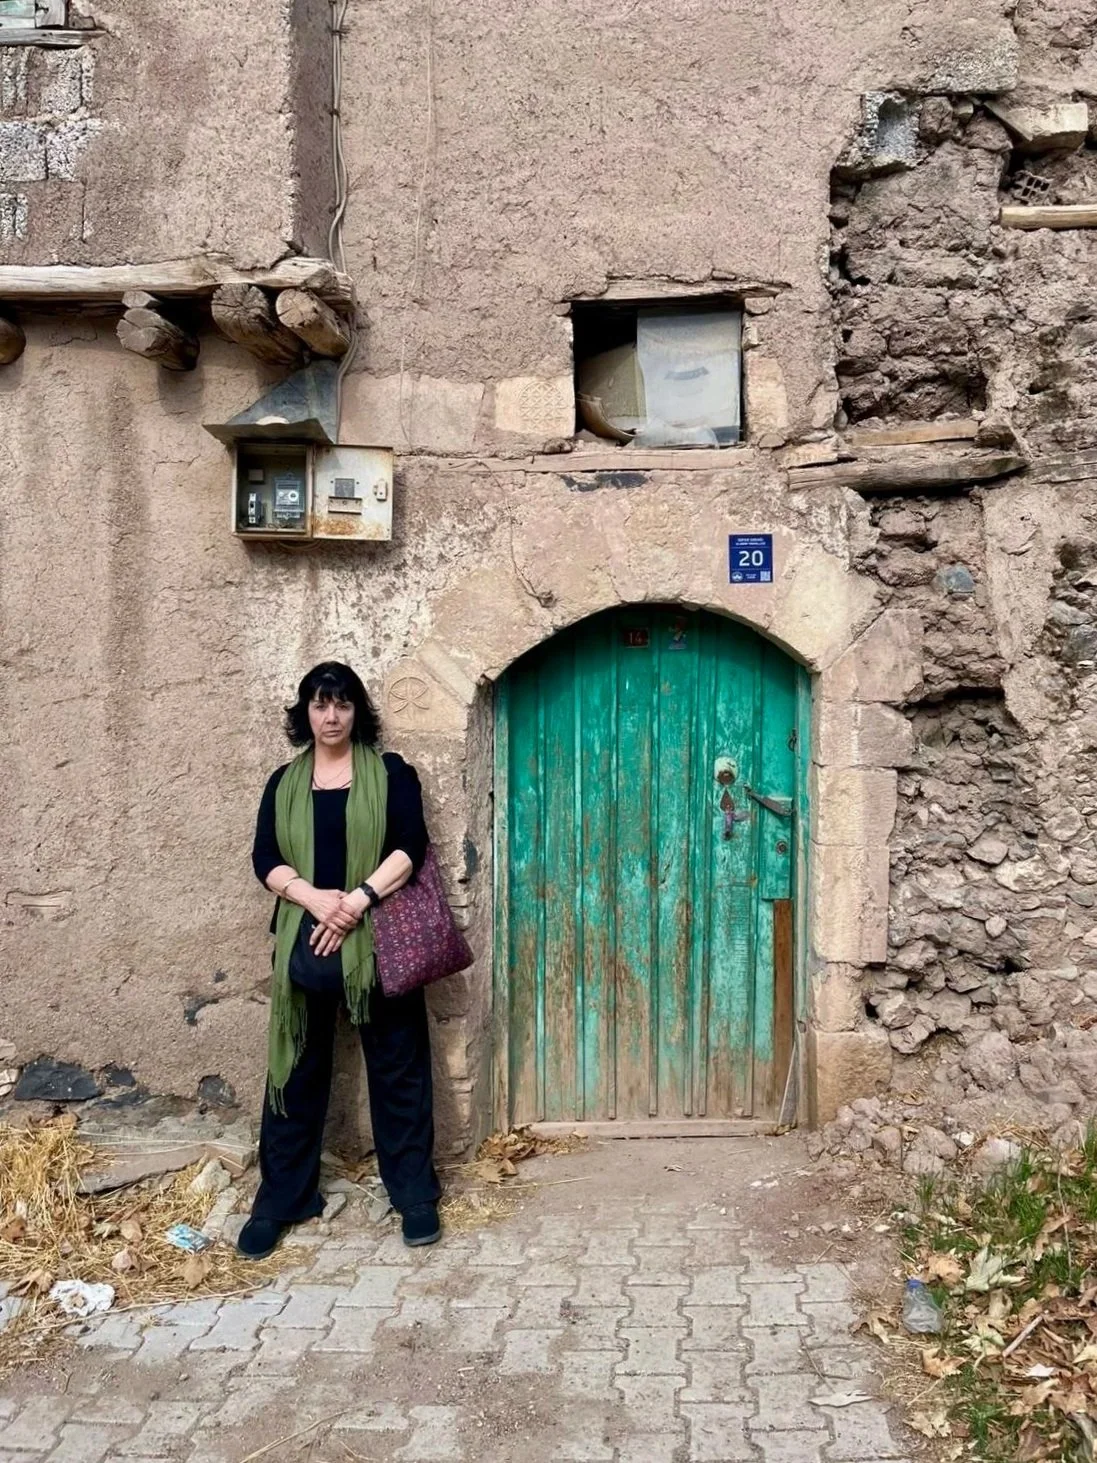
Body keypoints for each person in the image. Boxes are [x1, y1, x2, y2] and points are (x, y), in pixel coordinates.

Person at [238, 661, 442, 1258]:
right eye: (321, 705)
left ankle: (415, 1196)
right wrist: (312, 899)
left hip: (379, 938)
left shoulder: (391, 774)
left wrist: (354, 903)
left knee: (399, 1071)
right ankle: (281, 1200)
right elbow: (265, 857)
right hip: (306, 938)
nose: (332, 716)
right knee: (295, 1072)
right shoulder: (284, 782)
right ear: (305, 713)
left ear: (359, 712)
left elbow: (410, 846)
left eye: (343, 705)